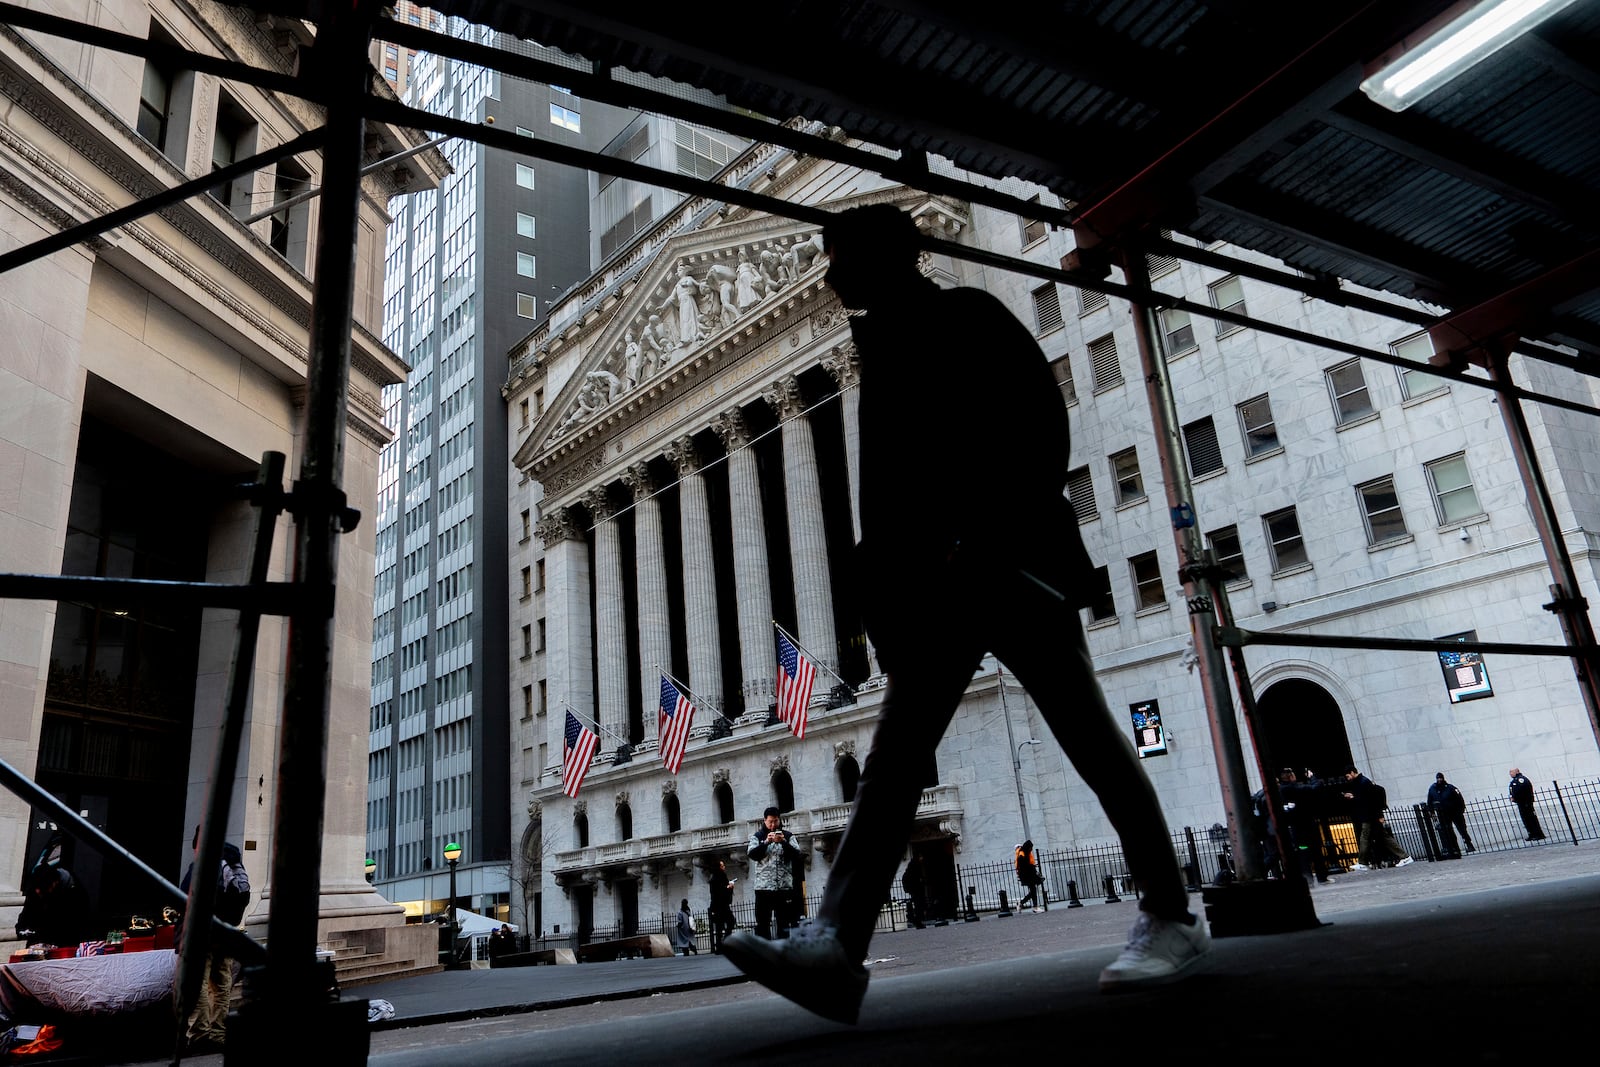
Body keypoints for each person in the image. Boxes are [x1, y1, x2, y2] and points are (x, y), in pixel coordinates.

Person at [722, 204, 1210, 1024]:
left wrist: (984, 538)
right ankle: (837, 947)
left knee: (1087, 735)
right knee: (895, 761)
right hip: (930, 594)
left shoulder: (969, 316)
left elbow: (1039, 428)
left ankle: (1170, 913)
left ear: (889, 257)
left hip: (1010, 568)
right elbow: (883, 498)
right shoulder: (877, 347)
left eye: (840, 254)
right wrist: (884, 600)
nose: (830, 272)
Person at [175, 825, 251, 1053]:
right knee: (221, 983)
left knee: (197, 982)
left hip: (201, 933)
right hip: (226, 931)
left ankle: (199, 1033)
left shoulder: (202, 865)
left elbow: (184, 895)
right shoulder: (232, 861)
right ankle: (218, 1032)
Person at [746, 807, 801, 940]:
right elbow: (752, 854)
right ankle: (764, 952)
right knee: (763, 923)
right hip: (763, 888)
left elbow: (797, 855)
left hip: (783, 888)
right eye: (770, 821)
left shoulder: (788, 836)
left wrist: (783, 842)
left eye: (775, 821)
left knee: (784, 923)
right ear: (764, 821)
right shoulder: (758, 837)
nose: (773, 825)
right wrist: (766, 842)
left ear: (779, 820)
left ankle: (782, 953)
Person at [1341, 767, 1412, 870]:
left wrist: (1379, 815)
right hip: (1370, 816)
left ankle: (1363, 862)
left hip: (1370, 816)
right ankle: (1405, 856)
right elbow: (1366, 798)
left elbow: (1372, 800)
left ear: (1352, 772)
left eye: (1347, 776)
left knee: (1365, 838)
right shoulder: (1361, 782)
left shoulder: (1363, 782)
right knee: (1383, 837)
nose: (1347, 778)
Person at [15, 863, 91, 948]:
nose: (38, 892)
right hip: (38, 943)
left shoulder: (73, 894)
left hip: (62, 943)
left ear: (54, 883)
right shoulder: (35, 891)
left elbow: (72, 925)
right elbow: (26, 914)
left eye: (42, 889)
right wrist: (21, 929)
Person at [1427, 772, 1474, 857]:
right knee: (1448, 831)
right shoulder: (1432, 789)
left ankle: (1468, 844)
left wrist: (1461, 810)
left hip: (1455, 812)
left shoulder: (1450, 788)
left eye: (1440, 778)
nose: (1439, 780)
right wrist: (1432, 813)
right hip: (1443, 814)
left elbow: (1459, 798)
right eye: (1438, 778)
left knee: (1462, 829)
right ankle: (1453, 848)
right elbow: (1429, 801)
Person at [707, 859, 737, 953]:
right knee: (731, 921)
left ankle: (720, 946)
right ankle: (724, 943)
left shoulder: (713, 878)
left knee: (720, 927)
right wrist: (729, 887)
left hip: (716, 906)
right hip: (721, 905)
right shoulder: (720, 876)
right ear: (719, 867)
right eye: (722, 866)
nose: (724, 867)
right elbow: (721, 892)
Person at [1508, 767, 1545, 841]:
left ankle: (1538, 834)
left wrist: (1515, 797)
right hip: (1521, 803)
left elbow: (1522, 790)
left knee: (1531, 818)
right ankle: (1531, 833)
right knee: (1526, 819)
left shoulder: (1521, 780)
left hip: (1525, 802)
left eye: (1511, 772)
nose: (1510, 774)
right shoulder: (1515, 781)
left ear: (1517, 771)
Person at [901, 853, 928, 929]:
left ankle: (918, 921)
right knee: (918, 906)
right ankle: (917, 922)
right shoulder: (914, 866)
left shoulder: (914, 866)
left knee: (919, 905)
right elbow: (915, 878)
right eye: (921, 857)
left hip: (916, 890)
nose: (922, 858)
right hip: (916, 890)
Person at [1015, 841, 1043, 912]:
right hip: (1028, 876)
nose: (1031, 849)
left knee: (1033, 891)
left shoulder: (1025, 852)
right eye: (1030, 847)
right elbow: (1023, 866)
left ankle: (1022, 903)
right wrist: (1031, 867)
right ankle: (1035, 907)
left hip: (1029, 875)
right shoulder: (1022, 853)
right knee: (1033, 891)